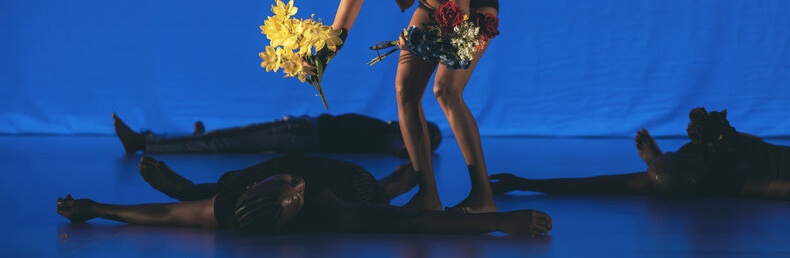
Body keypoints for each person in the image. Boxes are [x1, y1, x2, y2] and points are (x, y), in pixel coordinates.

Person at [322, 0, 500, 213]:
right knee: (405, 91)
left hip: (471, 11)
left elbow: (455, 27)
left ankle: (483, 197)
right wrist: (317, 59)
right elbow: (339, 30)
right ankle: (428, 196)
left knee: (446, 91)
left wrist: (418, 41)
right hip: (432, 7)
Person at [56, 154, 552, 236]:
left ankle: (193, 182)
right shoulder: (326, 208)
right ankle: (394, 183)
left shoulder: (232, 203)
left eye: (285, 186)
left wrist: (97, 209)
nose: (296, 184)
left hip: (235, 184)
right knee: (379, 201)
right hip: (351, 183)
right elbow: (414, 226)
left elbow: (164, 216)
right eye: (294, 192)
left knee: (215, 189)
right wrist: (499, 222)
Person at [489, 108, 790, 204]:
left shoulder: (732, 175)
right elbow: (595, 184)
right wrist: (524, 182)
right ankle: (653, 157)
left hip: (773, 158)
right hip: (762, 162)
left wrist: (527, 182)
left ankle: (653, 156)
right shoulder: (723, 183)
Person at [112, 112, 441, 157]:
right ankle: (155, 139)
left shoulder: (390, 141)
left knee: (223, 143)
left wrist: (419, 143)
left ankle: (144, 143)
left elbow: (406, 151)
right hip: (300, 127)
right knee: (227, 137)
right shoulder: (385, 129)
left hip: (299, 136)